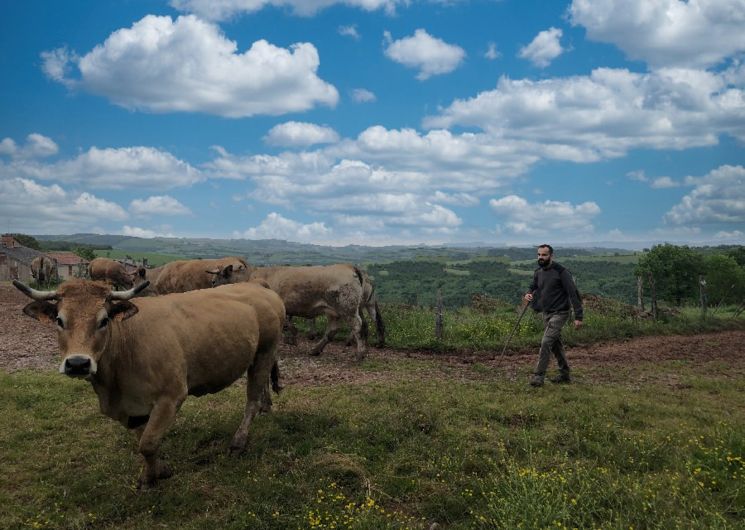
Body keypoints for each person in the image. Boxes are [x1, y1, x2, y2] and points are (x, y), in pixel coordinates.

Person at [523, 244, 583, 387]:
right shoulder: (538, 271)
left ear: (551, 256)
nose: (540, 257)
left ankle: (538, 376)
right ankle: (565, 374)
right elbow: (534, 285)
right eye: (538, 255)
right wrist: (529, 293)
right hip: (547, 313)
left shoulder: (561, 272)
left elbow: (573, 293)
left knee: (545, 342)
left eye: (544, 255)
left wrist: (579, 317)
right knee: (556, 345)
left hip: (561, 313)